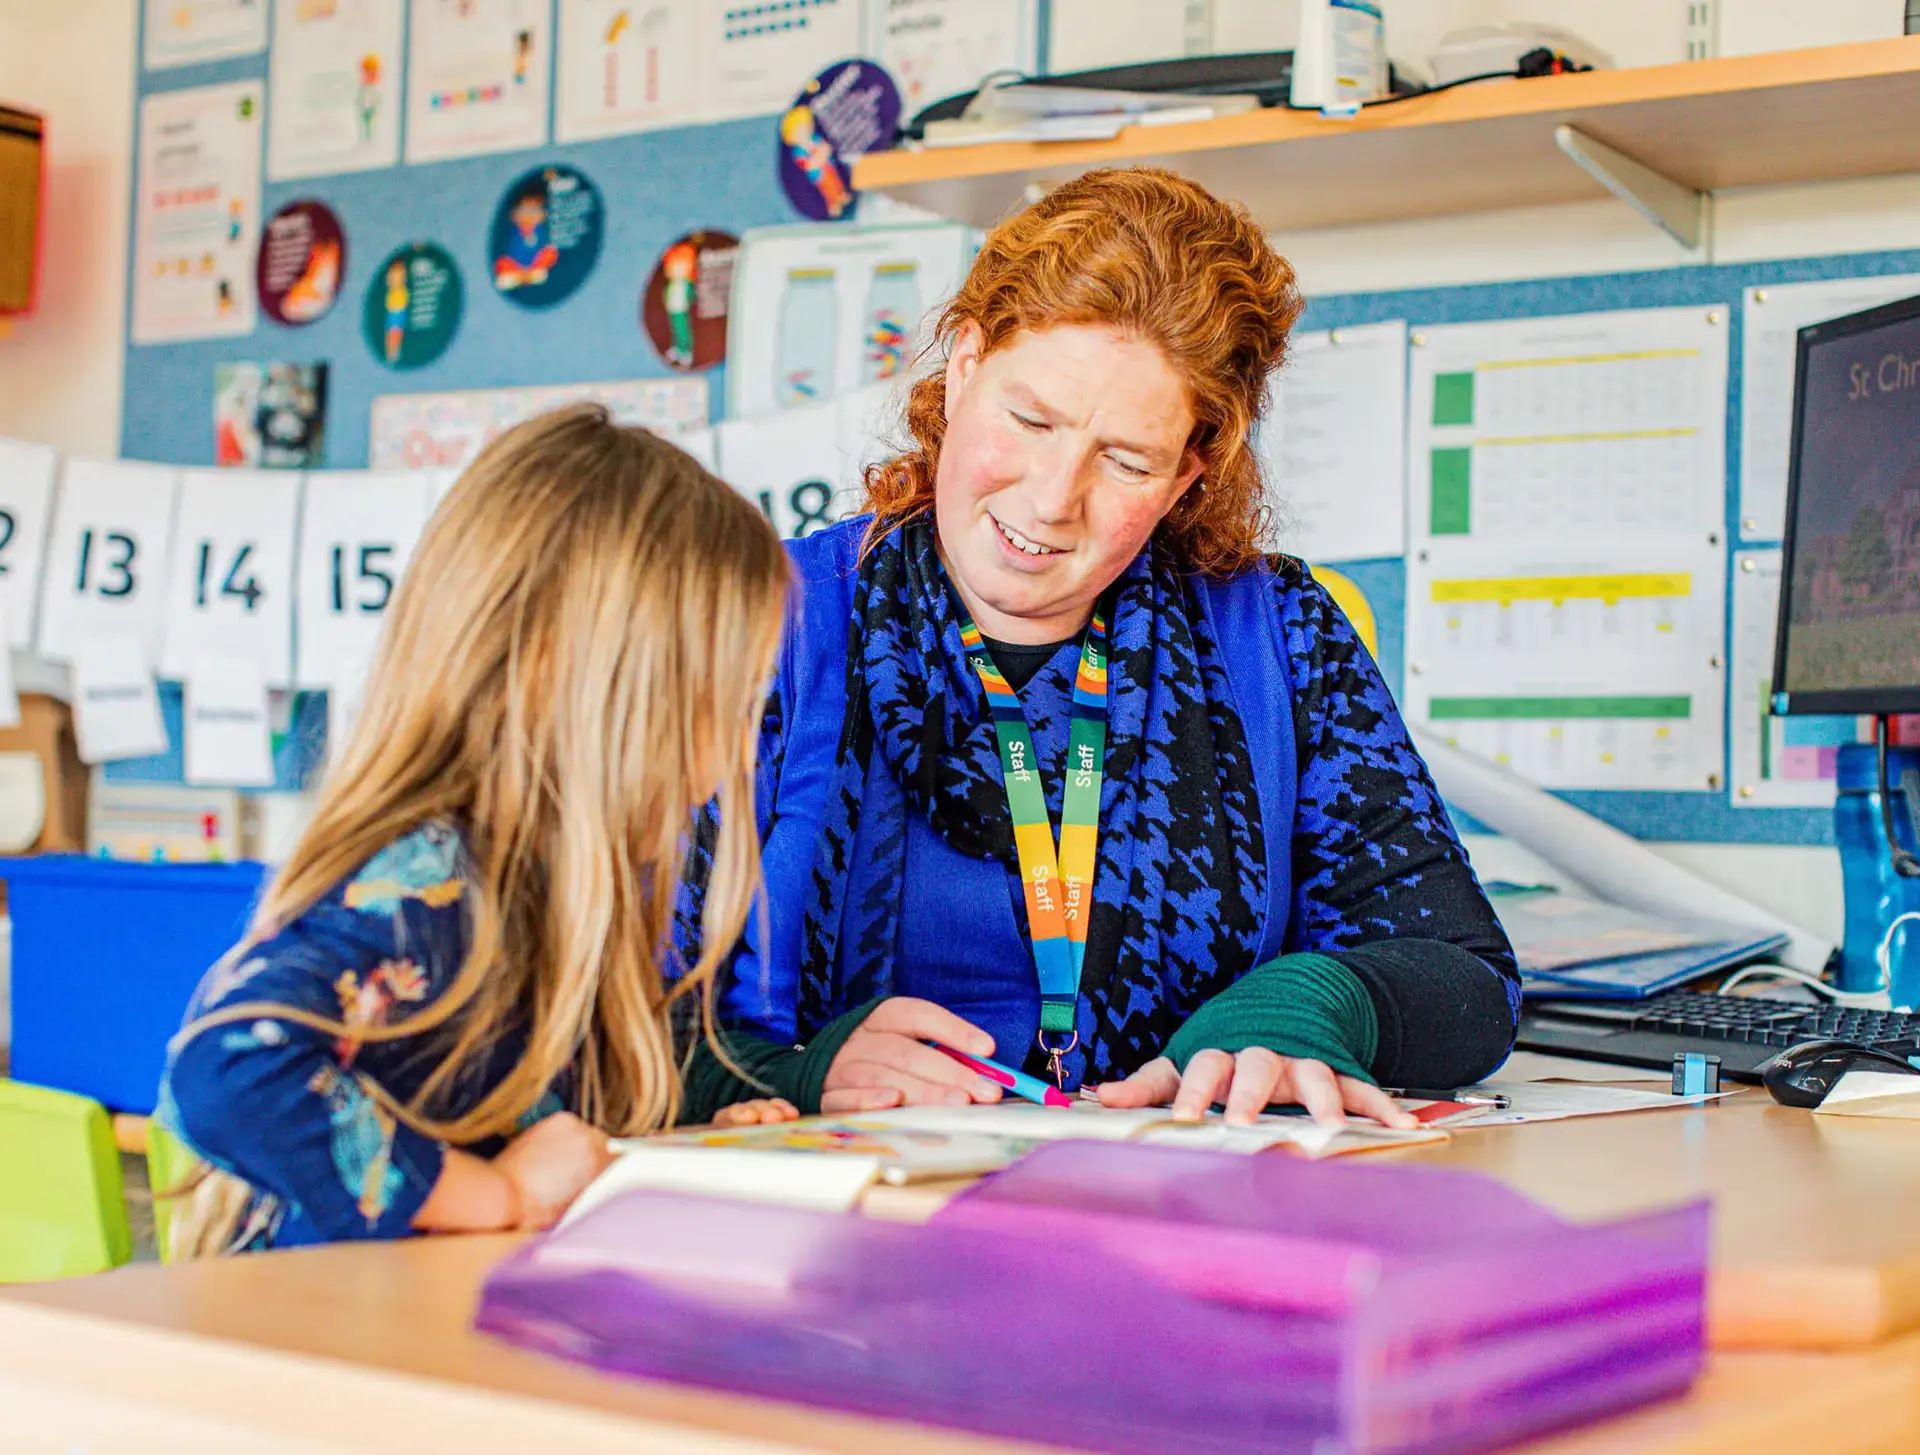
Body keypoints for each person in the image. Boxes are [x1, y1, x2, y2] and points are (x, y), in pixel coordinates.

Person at [679, 166, 1519, 1129]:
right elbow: (563, 1014)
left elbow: (1465, 976)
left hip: (1178, 1216)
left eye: (1127, 460)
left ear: (1189, 473)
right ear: (962, 367)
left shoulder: (1279, 633)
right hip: (836, 1224)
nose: (1051, 498)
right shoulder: (750, 620)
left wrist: (1307, 1007)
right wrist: (784, 1072)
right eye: (1029, 421)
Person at [158, 407, 797, 1256]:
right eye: (712, 703)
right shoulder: (431, 879)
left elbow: (519, 1123)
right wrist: (493, 1193)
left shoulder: (547, 893)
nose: (729, 759)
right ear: (555, 676)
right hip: (308, 1353)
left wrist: (691, 1132)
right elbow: (232, 1065)